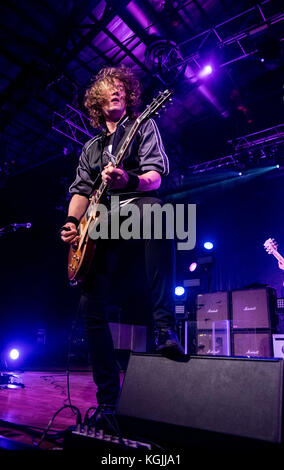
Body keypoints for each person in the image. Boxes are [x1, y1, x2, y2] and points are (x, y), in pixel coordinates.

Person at [60, 65, 184, 429]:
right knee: (90, 305)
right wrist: (71, 225)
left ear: (129, 94)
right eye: (107, 87)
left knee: (160, 211)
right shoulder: (91, 147)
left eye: (120, 86)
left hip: (136, 205)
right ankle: (108, 402)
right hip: (99, 222)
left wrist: (128, 178)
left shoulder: (144, 124)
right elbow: (81, 191)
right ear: (97, 100)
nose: (115, 90)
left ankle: (164, 328)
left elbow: (155, 176)